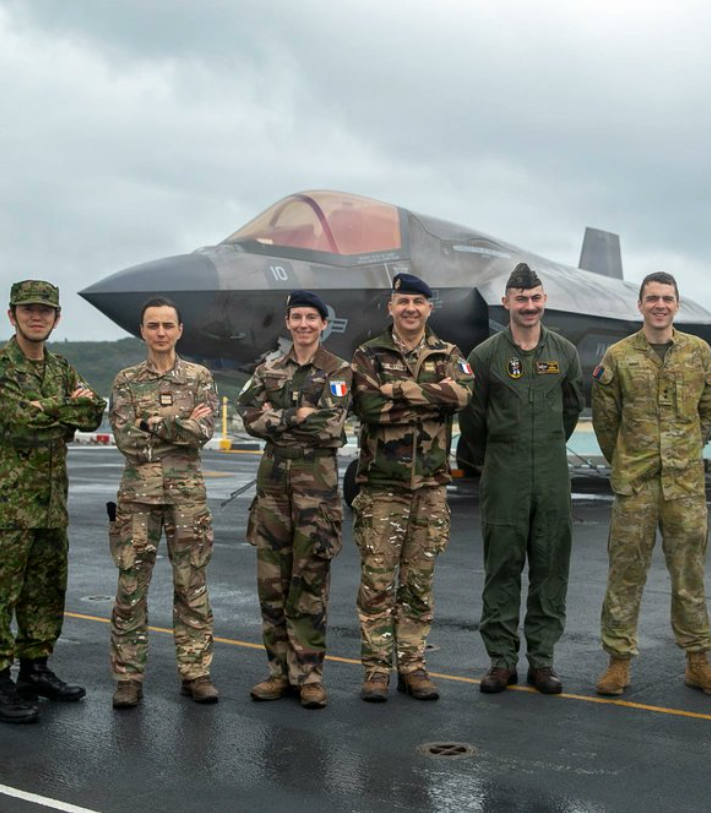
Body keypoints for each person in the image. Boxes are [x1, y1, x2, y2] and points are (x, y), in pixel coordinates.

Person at [590, 271, 711, 698]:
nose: (660, 305)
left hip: (685, 487)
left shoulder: (698, 351)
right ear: (639, 305)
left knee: (689, 574)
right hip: (635, 484)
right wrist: (628, 459)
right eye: (652, 298)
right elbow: (604, 419)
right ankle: (618, 663)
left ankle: (698, 662)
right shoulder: (618, 356)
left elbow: (709, 408)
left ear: (677, 304)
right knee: (625, 574)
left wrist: (686, 448)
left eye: (667, 298)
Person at [0, 280, 106, 724]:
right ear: (11, 315)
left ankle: (35, 669)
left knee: (45, 591)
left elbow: (93, 412)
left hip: (51, 504)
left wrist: (50, 408)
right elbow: (15, 423)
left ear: (57, 318)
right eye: (28, 310)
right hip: (9, 507)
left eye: (45, 311)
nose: (37, 317)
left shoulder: (61, 367)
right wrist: (64, 410)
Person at [459, 264, 583, 695]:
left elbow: (571, 410)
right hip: (504, 475)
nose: (528, 306)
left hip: (551, 475)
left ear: (543, 300)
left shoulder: (564, 353)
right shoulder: (485, 356)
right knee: (502, 569)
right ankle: (501, 661)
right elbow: (472, 422)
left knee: (551, 567)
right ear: (506, 302)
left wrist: (548, 446)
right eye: (520, 299)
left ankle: (543, 662)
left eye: (535, 298)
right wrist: (495, 459)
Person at [351, 273, 474, 702]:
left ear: (429, 308)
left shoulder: (448, 353)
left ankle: (414, 665)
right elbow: (368, 407)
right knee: (378, 582)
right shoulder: (368, 355)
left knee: (419, 583)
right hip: (382, 488)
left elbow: (462, 396)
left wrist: (400, 391)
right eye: (402, 301)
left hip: (430, 488)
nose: (410, 309)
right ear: (390, 306)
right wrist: (429, 398)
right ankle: (375, 670)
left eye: (418, 302)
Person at [238, 291, 352, 711]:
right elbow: (247, 415)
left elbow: (330, 425)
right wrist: (294, 417)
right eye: (296, 317)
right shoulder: (267, 369)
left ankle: (309, 676)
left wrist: (277, 419)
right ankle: (278, 673)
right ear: (287, 323)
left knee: (309, 585)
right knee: (272, 586)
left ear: (323, 323)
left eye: (311, 317)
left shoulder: (339, 370)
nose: (303, 324)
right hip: (272, 494)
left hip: (315, 496)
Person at [108, 297, 219, 709]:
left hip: (187, 498)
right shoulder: (125, 381)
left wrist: (151, 422)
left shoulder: (199, 377)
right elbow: (126, 439)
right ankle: (128, 677)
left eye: (167, 325)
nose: (160, 332)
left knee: (192, 586)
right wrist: (178, 427)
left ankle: (196, 673)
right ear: (142, 331)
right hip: (138, 498)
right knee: (131, 588)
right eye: (152, 325)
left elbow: (203, 431)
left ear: (179, 331)